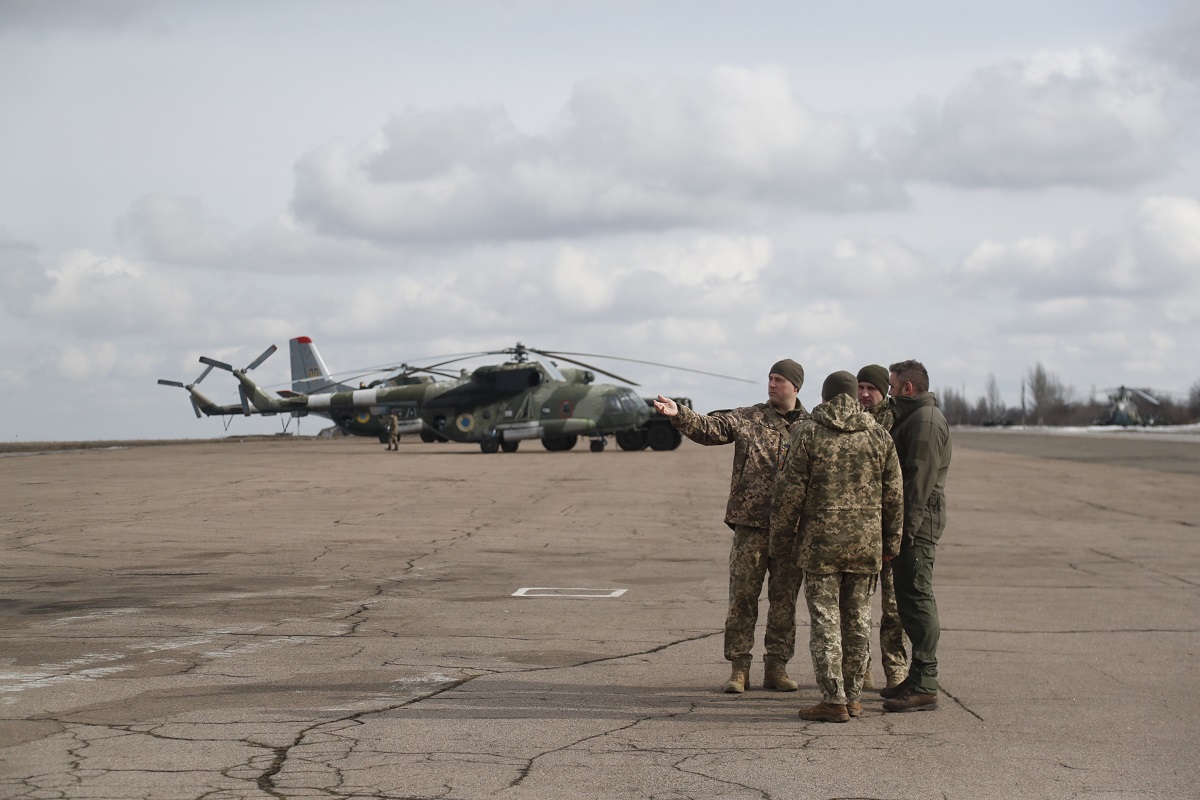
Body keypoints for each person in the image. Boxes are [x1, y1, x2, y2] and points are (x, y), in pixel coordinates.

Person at [654, 359, 808, 694]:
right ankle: (739, 669)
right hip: (750, 527)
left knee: (784, 603)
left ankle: (777, 668)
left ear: (795, 386)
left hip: (790, 531)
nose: (771, 384)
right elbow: (710, 428)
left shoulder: (811, 427)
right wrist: (679, 413)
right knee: (742, 599)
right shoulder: (749, 418)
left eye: (779, 380)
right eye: (769, 378)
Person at [769, 371, 903, 722]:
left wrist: (781, 540)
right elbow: (894, 496)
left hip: (820, 546)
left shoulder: (808, 431)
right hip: (865, 546)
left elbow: (789, 491)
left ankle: (833, 698)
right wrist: (891, 543)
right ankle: (855, 697)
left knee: (826, 622)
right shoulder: (878, 435)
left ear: (825, 398)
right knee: (858, 620)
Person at [881, 359, 952, 713]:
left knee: (918, 600)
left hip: (916, 529)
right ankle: (917, 676)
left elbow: (917, 486)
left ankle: (925, 683)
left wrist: (901, 536)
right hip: (912, 527)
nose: (889, 393)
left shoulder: (924, 422)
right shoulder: (912, 417)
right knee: (909, 601)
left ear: (908, 388)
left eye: (892, 387)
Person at [857, 364, 908, 691]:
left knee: (894, 608)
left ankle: (896, 669)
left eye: (871, 388)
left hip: (890, 527)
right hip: (858, 530)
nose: (864, 394)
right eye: (860, 387)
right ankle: (861, 669)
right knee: (857, 608)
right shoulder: (850, 420)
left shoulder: (898, 421)